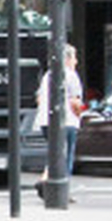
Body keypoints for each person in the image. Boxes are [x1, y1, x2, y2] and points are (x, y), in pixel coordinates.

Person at [32, 44, 85, 181]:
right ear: (67, 59)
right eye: (74, 58)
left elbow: (39, 98)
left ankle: (45, 179)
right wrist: (80, 113)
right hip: (67, 121)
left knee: (54, 154)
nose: (76, 62)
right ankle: (62, 186)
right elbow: (75, 102)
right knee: (65, 157)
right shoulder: (71, 76)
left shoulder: (47, 76)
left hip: (44, 121)